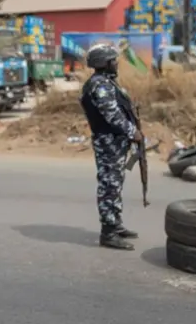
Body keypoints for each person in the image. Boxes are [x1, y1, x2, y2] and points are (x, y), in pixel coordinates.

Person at [79, 43, 142, 251]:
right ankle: (108, 233)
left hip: (114, 141)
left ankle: (115, 223)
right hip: (109, 141)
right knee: (109, 185)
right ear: (104, 63)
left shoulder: (106, 82)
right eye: (113, 60)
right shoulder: (100, 85)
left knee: (115, 183)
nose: (116, 64)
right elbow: (112, 115)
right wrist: (133, 132)